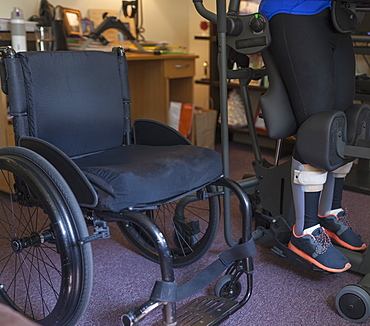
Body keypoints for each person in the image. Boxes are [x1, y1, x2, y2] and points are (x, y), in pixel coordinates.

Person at [258, 0, 366, 273]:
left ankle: (330, 213)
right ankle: (305, 231)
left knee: (343, 121)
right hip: (294, 11)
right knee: (318, 126)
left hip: (334, 14)